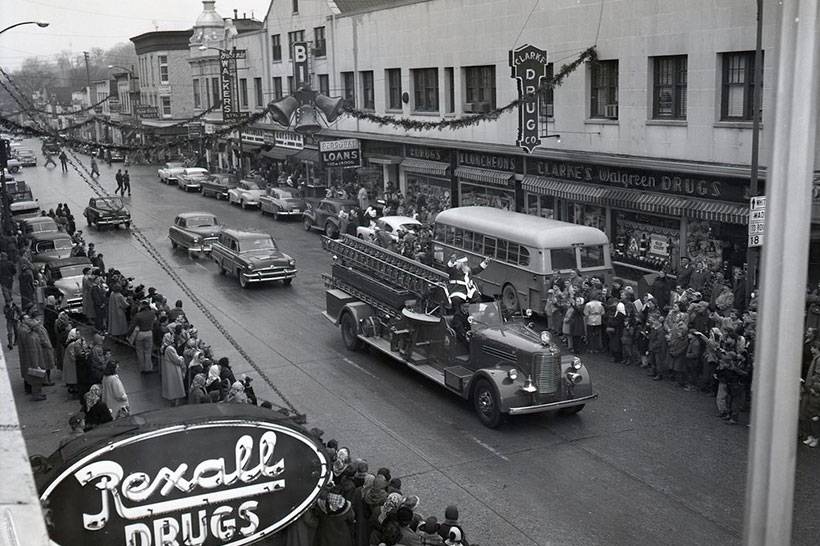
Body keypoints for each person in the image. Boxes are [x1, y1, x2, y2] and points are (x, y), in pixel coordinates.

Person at [130, 300, 155, 373]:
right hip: (149, 333)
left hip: (140, 333)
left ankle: (142, 368)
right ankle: (148, 368)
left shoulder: (138, 315)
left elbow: (133, 326)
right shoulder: (152, 313)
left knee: (140, 351)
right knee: (148, 352)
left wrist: (128, 334)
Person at [161, 333, 186, 406]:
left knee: (171, 386)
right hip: (173, 369)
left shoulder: (164, 347)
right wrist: (181, 358)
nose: (173, 338)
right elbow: (177, 360)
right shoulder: (170, 349)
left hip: (169, 368)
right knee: (175, 387)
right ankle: (175, 403)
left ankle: (174, 402)